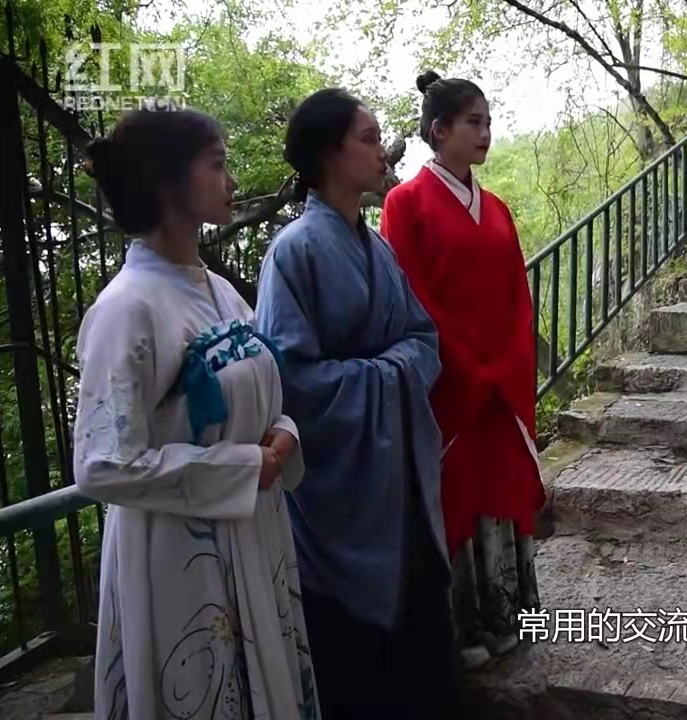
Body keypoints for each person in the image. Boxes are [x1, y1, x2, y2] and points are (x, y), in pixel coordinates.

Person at [71, 108, 319, 719]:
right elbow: (102, 464)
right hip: (179, 557)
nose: (231, 181)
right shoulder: (126, 309)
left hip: (255, 531)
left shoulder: (220, 291)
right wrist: (244, 466)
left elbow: (260, 394)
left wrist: (282, 433)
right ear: (168, 182)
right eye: (217, 165)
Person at [253, 89, 459, 717]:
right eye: (368, 139)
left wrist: (389, 369)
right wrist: (391, 373)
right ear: (328, 154)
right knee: (360, 675)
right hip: (341, 493)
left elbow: (423, 338)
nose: (381, 151)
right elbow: (289, 376)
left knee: (426, 653)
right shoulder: (294, 251)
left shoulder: (378, 248)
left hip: (403, 478)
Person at [378, 71, 544, 669]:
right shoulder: (405, 203)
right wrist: (467, 365)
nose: (485, 133)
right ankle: (462, 628)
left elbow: (517, 295)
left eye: (488, 122)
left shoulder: (495, 208)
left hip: (501, 380)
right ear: (438, 130)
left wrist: (510, 361)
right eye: (473, 122)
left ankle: (508, 613)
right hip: (452, 383)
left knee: (499, 491)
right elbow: (412, 296)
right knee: (456, 498)